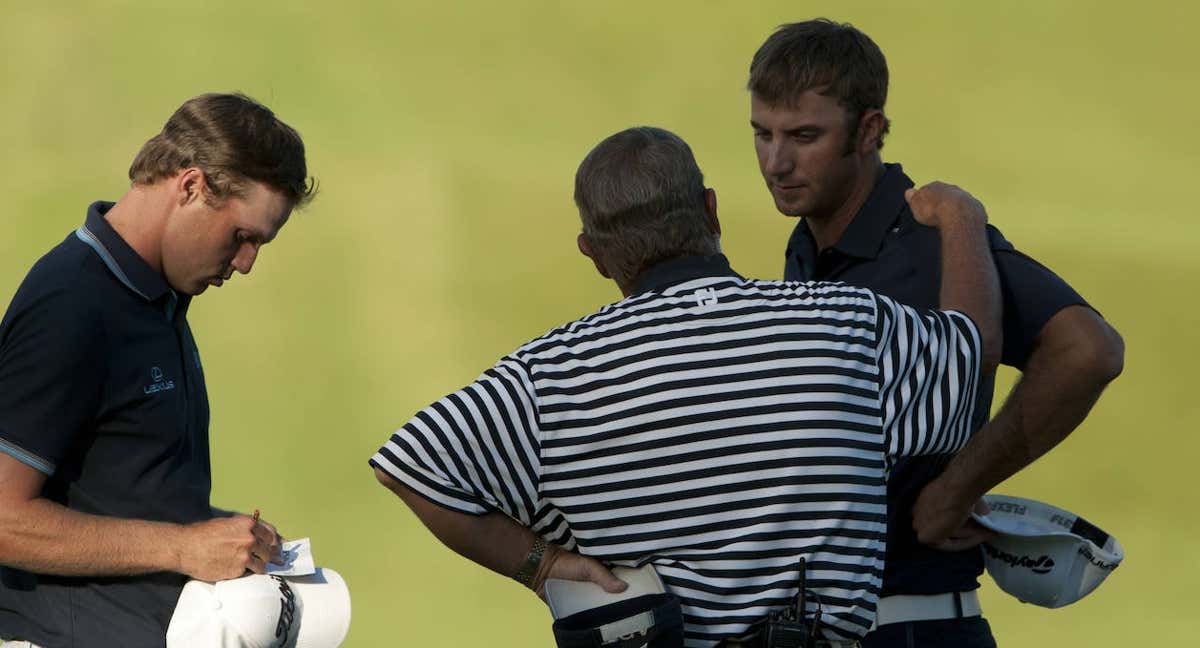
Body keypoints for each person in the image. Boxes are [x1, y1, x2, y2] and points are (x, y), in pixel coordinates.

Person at [371, 126, 1002, 646]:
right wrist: (962, 219)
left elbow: (411, 466)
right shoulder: (843, 323)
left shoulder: (549, 376)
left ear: (592, 251)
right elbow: (971, 357)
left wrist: (541, 564)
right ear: (710, 209)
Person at [746, 19, 1125, 647]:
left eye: (804, 137)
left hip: (912, 627)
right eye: (762, 134)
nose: (775, 163)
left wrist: (961, 484)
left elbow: (1089, 351)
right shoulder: (811, 243)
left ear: (868, 131)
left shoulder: (936, 237)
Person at [0, 93, 317, 648]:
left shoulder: (156, 297)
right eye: (242, 236)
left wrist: (222, 535)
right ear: (190, 186)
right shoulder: (72, 303)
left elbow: (120, 491)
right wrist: (183, 547)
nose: (246, 264)